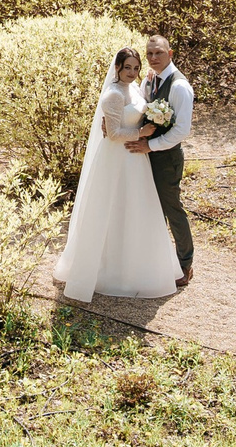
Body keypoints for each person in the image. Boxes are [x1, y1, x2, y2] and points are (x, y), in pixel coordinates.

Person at [51, 48, 183, 303]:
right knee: (110, 210)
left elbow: (137, 107)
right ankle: (107, 270)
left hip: (135, 159)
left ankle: (135, 267)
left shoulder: (134, 88)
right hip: (116, 157)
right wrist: (141, 133)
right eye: (127, 68)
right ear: (117, 68)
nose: (132, 72)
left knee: (135, 209)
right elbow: (112, 134)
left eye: (135, 68)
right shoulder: (112, 94)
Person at [127, 34, 196, 286]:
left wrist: (151, 145)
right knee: (152, 210)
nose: (153, 58)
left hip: (166, 157)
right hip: (147, 156)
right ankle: (157, 261)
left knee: (172, 209)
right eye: (149, 54)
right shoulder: (151, 80)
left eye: (158, 53)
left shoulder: (179, 86)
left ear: (170, 53)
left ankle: (184, 264)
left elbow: (181, 130)